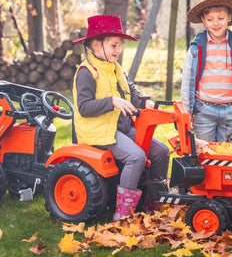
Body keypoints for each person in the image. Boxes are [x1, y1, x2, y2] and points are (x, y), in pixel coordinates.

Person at [72, 14, 170, 222]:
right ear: (97, 45)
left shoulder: (116, 69)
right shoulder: (87, 72)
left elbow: (130, 93)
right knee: (136, 156)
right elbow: (83, 107)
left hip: (121, 128)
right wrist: (112, 101)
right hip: (99, 131)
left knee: (161, 151)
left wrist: (144, 102)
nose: (119, 51)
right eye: (114, 46)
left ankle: (151, 203)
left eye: (120, 46)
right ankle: (123, 213)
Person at [181, 0, 232, 143]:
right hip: (203, 109)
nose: (215, 24)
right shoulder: (197, 47)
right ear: (203, 20)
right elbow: (187, 79)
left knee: (226, 155)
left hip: (230, 110)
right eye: (210, 19)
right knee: (204, 152)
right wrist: (186, 111)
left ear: (229, 17)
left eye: (221, 18)